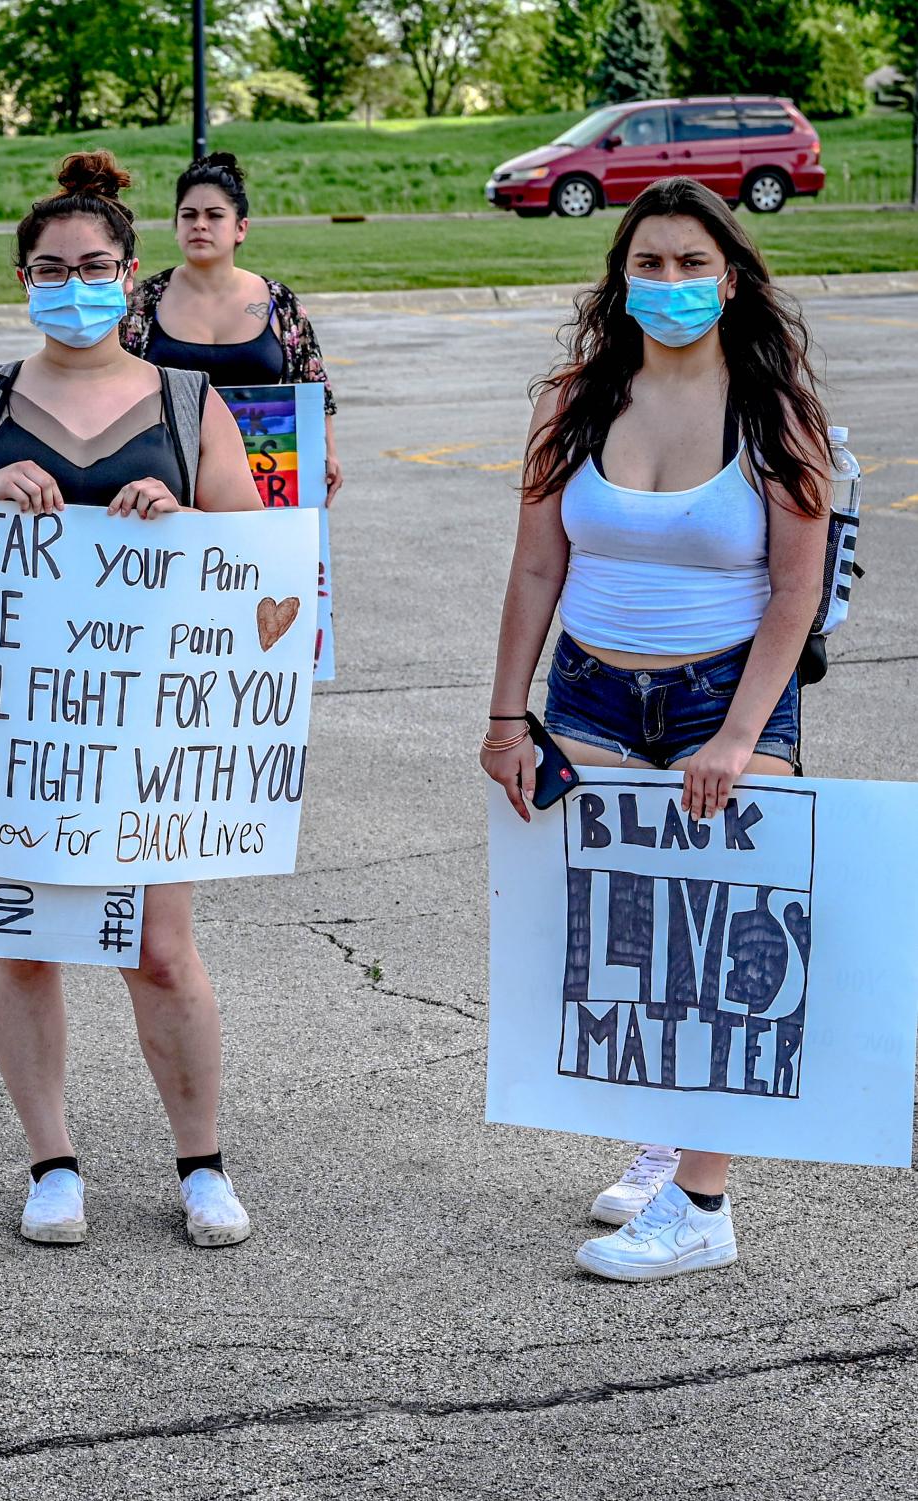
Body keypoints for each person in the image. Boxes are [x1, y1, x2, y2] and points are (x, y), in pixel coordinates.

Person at [0, 150, 265, 1250]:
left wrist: (186, 519)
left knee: (159, 946)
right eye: (50, 268)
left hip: (151, 724)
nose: (73, 284)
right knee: (24, 942)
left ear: (130, 271)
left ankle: (201, 1163)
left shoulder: (189, 401)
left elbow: (269, 569)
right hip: (19, 730)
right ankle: (51, 1162)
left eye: (94, 265)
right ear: (24, 279)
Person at [481, 177, 830, 1282]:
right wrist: (506, 714)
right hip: (590, 692)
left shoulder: (774, 411)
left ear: (731, 280)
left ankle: (703, 1204)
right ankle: (657, 1136)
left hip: (727, 697)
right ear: (620, 280)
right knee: (615, 940)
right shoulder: (576, 401)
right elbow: (537, 565)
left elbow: (794, 593)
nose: (670, 283)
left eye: (692, 265)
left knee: (726, 957)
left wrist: (738, 736)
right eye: (650, 264)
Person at [122, 152, 343, 503]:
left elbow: (313, 385)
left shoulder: (278, 303)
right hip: (168, 481)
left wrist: (326, 451)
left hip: (266, 481)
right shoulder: (143, 303)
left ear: (241, 228)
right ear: (176, 225)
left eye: (215, 215)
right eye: (188, 215)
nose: (199, 225)